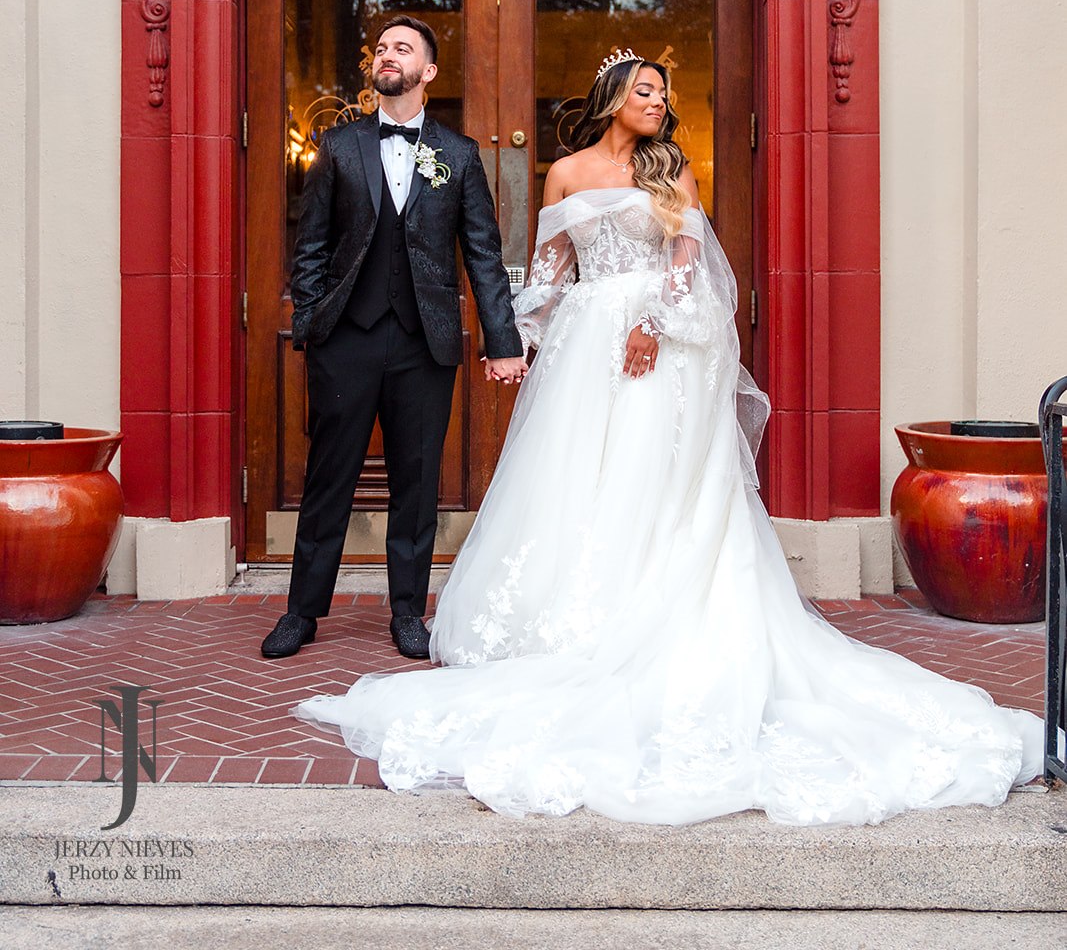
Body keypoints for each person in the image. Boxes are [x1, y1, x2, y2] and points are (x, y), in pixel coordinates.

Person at [295, 48, 1043, 825]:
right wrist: (515, 340)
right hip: (587, 353)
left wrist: (654, 322)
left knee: (661, 484)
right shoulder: (564, 173)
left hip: (657, 351)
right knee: (581, 481)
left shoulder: (672, 171)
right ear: (612, 96)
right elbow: (550, 273)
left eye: (662, 93)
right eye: (645, 91)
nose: (658, 102)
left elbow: (690, 268)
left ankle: (665, 612)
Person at [261, 17, 527, 663]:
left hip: (424, 343)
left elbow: (483, 256)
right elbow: (312, 244)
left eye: (401, 48)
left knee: (415, 481)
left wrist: (503, 341)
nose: (387, 55)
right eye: (380, 48)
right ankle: (301, 611)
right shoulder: (339, 144)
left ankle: (408, 612)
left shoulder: (458, 155)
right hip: (345, 341)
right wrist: (312, 326)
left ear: (427, 72)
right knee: (330, 478)